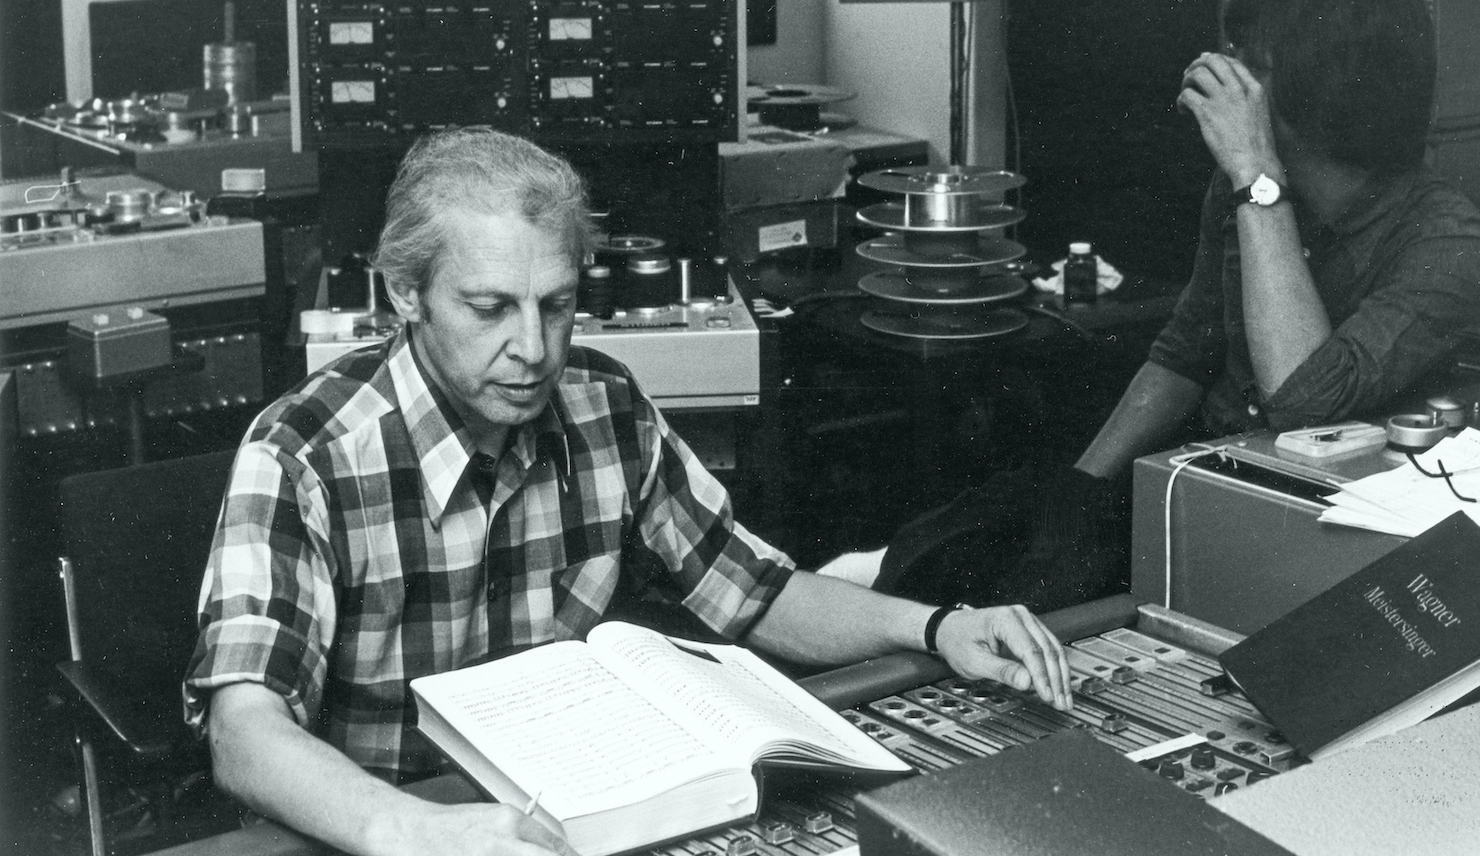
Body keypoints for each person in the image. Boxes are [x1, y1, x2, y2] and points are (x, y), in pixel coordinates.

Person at [184, 127, 1072, 856]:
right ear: (405, 294)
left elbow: (755, 596)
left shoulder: (606, 404)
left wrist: (937, 626)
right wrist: (407, 828)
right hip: (386, 825)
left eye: (557, 305)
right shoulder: (301, 453)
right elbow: (244, 729)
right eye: (490, 309)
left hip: (583, 820)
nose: (533, 348)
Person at [839, 0, 1480, 610]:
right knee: (966, 537)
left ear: (1311, 91)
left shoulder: (1447, 244)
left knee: (1031, 601)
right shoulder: (1245, 190)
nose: (1216, 73)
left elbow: (1300, 404)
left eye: (1245, 60)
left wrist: (1256, 176)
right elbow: (1184, 353)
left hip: (1296, 519)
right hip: (1197, 467)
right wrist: (1075, 495)